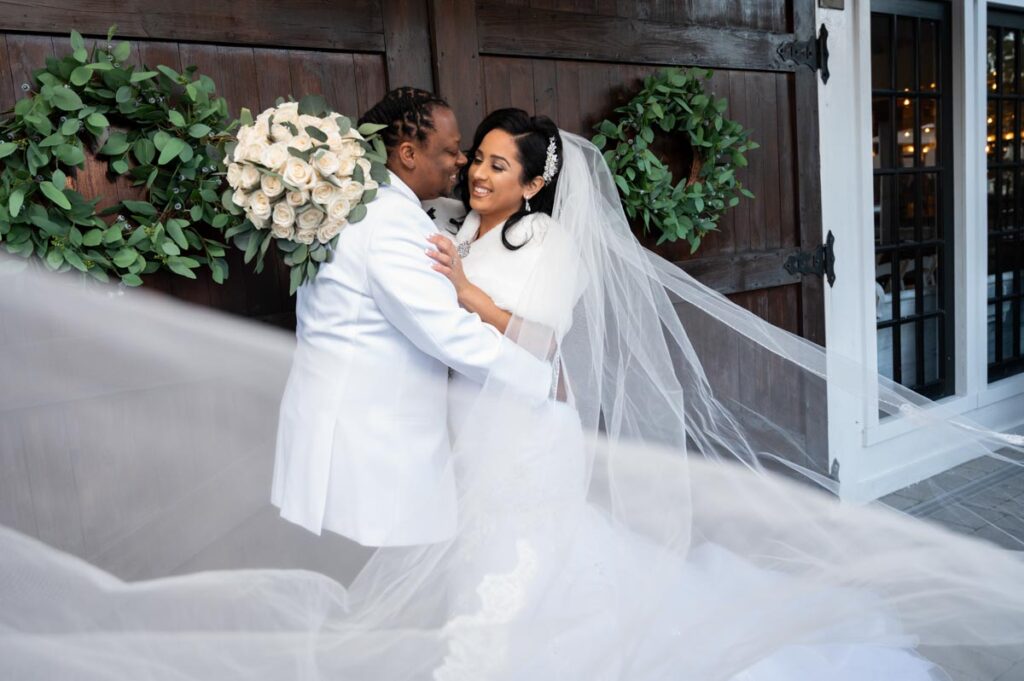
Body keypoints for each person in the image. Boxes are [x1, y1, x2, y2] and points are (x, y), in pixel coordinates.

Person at [2, 106, 1024, 680]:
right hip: (475, 421)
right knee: (487, 551)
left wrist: (467, 300)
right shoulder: (466, 226)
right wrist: (454, 266)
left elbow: (542, 335)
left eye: (492, 165)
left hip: (525, 424)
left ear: (534, 182)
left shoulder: (547, 245)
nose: (475, 174)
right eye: (471, 160)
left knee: (513, 557)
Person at [271, 89, 553, 547]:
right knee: (376, 595)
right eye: (451, 150)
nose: (461, 162)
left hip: (333, 432)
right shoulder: (392, 223)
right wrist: (539, 379)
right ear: (407, 153)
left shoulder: (349, 201)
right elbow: (447, 332)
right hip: (369, 448)